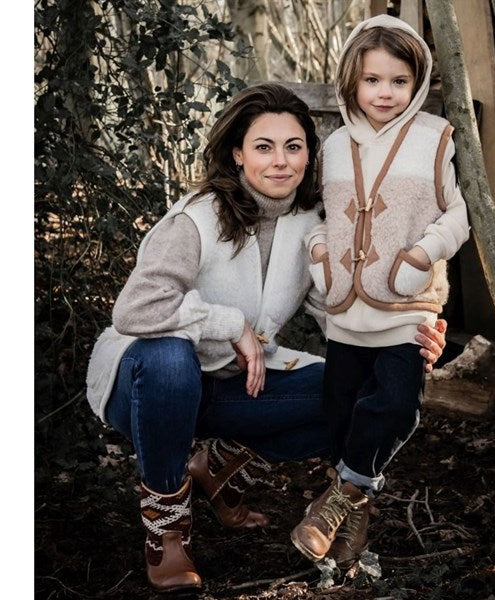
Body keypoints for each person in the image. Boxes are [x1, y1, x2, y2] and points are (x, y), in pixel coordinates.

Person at [85, 82, 447, 593]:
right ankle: (167, 531)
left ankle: (220, 468)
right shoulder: (196, 218)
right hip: (145, 385)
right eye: (264, 146)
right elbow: (135, 309)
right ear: (238, 154)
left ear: (309, 156)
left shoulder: (312, 226)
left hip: (231, 385)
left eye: (293, 147)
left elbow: (339, 310)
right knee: (169, 357)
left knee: (361, 389)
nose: (280, 161)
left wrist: (404, 340)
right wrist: (231, 325)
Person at [290, 15, 470, 569]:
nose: (385, 93)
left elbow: (457, 214)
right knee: (340, 414)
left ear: (418, 82)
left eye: (399, 81)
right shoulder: (334, 145)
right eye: (372, 80)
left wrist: (421, 254)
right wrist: (319, 251)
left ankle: (337, 499)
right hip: (346, 311)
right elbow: (319, 216)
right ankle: (352, 519)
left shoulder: (434, 137)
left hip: (406, 305)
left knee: (395, 405)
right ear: (352, 80)